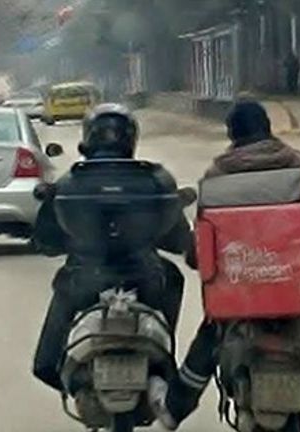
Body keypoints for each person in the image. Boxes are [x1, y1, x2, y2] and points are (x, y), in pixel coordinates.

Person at [147, 100, 300, 430]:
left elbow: (204, 236)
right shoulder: (297, 164)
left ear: (231, 134)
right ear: (268, 127)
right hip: (291, 288)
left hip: (240, 292)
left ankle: (174, 410)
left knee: (211, 336)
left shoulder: (218, 173)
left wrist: (195, 257)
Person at [31, 104, 192, 391]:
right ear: (131, 139)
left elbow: (47, 243)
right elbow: (177, 240)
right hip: (146, 278)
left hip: (84, 279)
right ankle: (165, 356)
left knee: (49, 354)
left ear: (88, 138)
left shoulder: (70, 183)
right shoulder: (153, 180)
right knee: (174, 278)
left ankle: (56, 360)